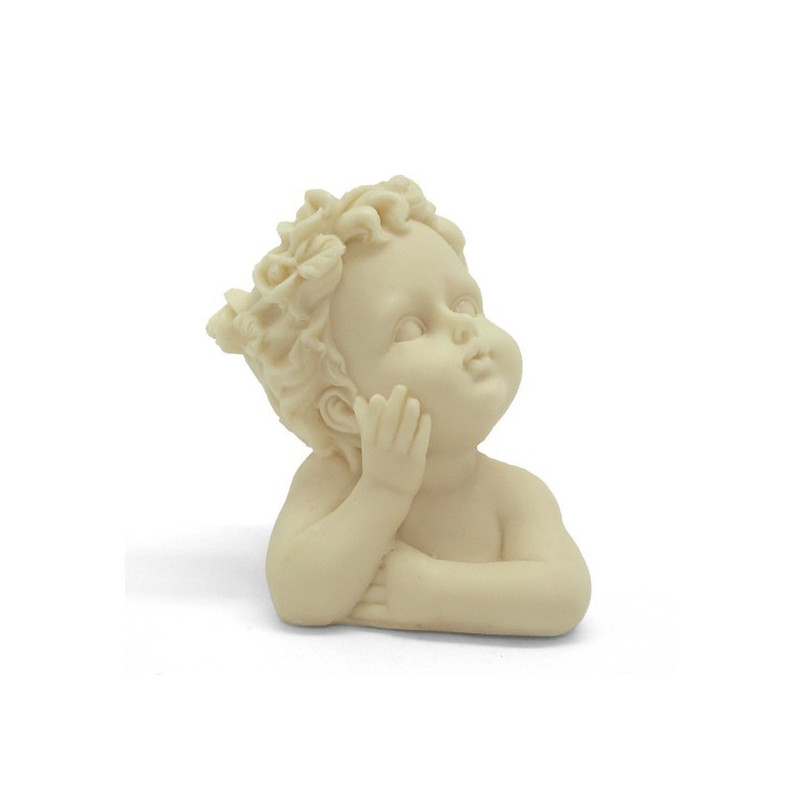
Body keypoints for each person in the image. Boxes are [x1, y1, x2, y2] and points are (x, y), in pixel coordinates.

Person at [207, 176, 590, 635]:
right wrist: (383, 490)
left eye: (466, 304)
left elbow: (565, 594)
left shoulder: (515, 494)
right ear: (345, 409)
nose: (463, 328)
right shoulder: (337, 481)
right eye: (410, 328)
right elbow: (297, 594)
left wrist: (433, 592)